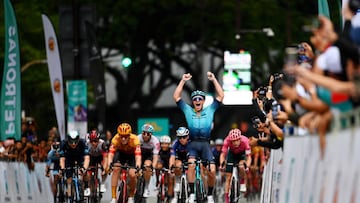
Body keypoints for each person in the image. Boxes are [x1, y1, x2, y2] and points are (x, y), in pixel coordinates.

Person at [173, 71, 224, 203]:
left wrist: (213, 80)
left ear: (203, 101)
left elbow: (221, 95)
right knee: (191, 166)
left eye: (200, 98)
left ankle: (210, 195)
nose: (197, 100)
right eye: (195, 99)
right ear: (192, 101)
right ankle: (191, 194)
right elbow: (176, 96)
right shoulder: (188, 110)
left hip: (206, 144)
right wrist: (183, 81)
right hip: (193, 144)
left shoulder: (210, 109)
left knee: (212, 171)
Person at [106, 123, 141, 203]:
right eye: (121, 136)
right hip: (120, 153)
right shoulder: (115, 139)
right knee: (115, 168)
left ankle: (131, 196)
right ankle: (114, 198)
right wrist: (109, 164)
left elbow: (138, 156)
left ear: (129, 135)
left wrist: (138, 166)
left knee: (132, 174)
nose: (123, 139)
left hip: (132, 155)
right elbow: (111, 154)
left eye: (125, 136)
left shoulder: (135, 139)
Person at [219, 129, 251, 203]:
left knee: (241, 166)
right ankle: (226, 198)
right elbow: (222, 154)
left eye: (237, 140)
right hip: (232, 154)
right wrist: (222, 164)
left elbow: (249, 157)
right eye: (233, 141)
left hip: (242, 154)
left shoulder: (245, 141)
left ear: (240, 138)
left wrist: (247, 167)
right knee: (228, 177)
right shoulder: (227, 140)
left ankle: (242, 181)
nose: (235, 142)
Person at [59, 130, 90, 197]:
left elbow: (87, 158)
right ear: (68, 140)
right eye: (71, 142)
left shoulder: (83, 143)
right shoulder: (63, 143)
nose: (73, 144)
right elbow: (62, 158)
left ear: (78, 140)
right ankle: (69, 190)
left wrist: (84, 168)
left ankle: (86, 186)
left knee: (85, 172)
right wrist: (62, 169)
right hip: (69, 158)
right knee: (69, 177)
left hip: (79, 157)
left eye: (75, 141)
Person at [137, 123, 160, 197]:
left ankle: (146, 187)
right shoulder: (137, 139)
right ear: (141, 133)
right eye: (144, 133)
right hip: (139, 155)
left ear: (151, 134)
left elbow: (155, 156)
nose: (145, 135)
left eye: (148, 134)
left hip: (149, 156)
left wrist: (153, 167)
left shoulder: (155, 141)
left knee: (147, 166)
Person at [83, 129, 108, 196]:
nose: (93, 143)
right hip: (91, 157)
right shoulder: (87, 144)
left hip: (100, 157)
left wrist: (104, 168)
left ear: (98, 140)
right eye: (92, 141)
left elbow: (105, 158)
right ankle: (87, 186)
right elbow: (85, 158)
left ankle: (102, 183)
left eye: (95, 141)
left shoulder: (102, 143)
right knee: (86, 171)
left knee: (105, 169)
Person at [169, 127, 191, 198]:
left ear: (187, 136)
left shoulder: (192, 142)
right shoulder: (175, 143)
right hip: (180, 159)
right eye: (180, 137)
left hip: (190, 158)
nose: (182, 139)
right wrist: (171, 168)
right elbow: (172, 157)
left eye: (184, 137)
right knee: (177, 165)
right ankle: (178, 182)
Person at [156, 135, 174, 201]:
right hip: (162, 162)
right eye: (162, 143)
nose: (164, 145)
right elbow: (157, 158)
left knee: (170, 178)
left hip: (169, 163)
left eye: (166, 144)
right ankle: (157, 180)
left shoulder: (171, 150)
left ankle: (169, 196)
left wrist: (170, 169)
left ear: (169, 144)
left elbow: (172, 159)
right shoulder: (158, 150)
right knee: (158, 166)